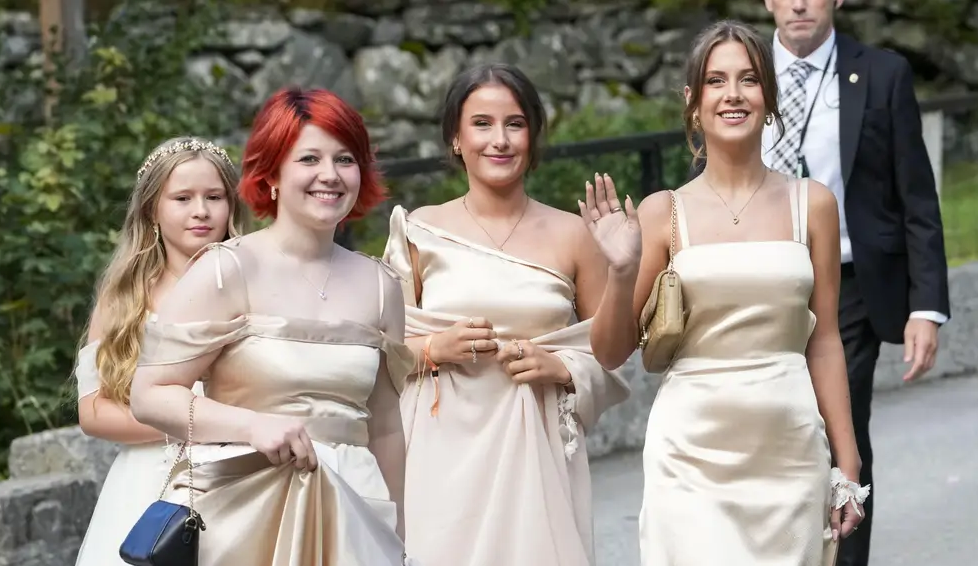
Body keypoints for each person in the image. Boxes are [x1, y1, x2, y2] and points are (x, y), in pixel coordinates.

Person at [581, 20, 869, 565]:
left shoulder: (815, 204)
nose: (733, 95)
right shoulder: (661, 211)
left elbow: (825, 341)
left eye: (749, 80)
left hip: (788, 449)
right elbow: (611, 351)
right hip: (689, 454)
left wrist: (847, 464)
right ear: (693, 102)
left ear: (770, 97)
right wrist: (621, 271)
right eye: (716, 81)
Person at [129, 87, 415, 565]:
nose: (330, 175)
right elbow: (149, 393)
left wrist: (399, 533)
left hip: (353, 513)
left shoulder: (382, 285)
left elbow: (385, 426)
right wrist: (252, 426)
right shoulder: (225, 270)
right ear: (273, 174)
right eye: (310, 158)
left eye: (345, 159)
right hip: (245, 514)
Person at [382, 63, 634, 566]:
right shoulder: (418, 230)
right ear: (456, 138)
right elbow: (380, 356)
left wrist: (564, 364)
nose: (499, 140)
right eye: (481, 124)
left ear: (533, 136)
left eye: (515, 124)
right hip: (440, 452)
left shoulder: (574, 234)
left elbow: (612, 352)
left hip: (536, 451)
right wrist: (434, 347)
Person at [759, 1, 951, 564]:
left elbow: (916, 194)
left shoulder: (881, 74)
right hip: (761, 280)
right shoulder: (740, 70)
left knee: (838, 422)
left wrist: (927, 306)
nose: (798, 4)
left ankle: (843, 556)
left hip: (848, 284)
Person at [74, 136, 245, 566]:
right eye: (182, 198)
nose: (201, 210)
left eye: (214, 197)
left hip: (242, 473)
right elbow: (93, 411)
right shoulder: (124, 297)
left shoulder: (254, 281)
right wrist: (187, 420)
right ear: (153, 208)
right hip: (148, 483)